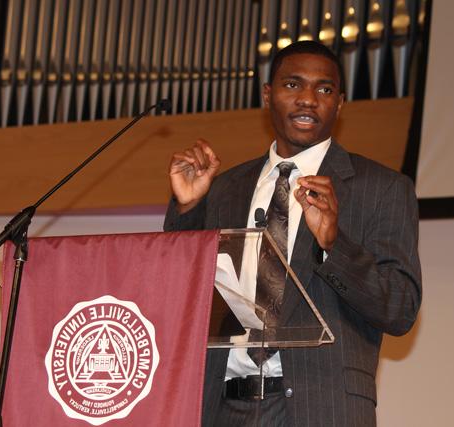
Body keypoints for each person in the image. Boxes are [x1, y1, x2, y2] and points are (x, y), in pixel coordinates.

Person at [164, 41, 422, 427]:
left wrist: (333, 245)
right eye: (292, 85)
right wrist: (187, 211)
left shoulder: (381, 189)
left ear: (340, 103)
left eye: (324, 89)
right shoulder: (223, 188)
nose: (308, 100)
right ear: (268, 94)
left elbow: (399, 310)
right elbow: (176, 294)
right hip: (221, 408)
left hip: (324, 408)